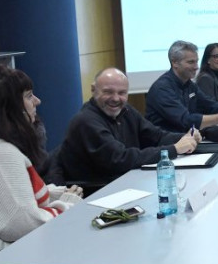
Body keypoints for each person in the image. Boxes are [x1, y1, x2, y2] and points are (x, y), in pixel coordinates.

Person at [0, 55, 83, 254]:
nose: (37, 101)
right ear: (11, 107)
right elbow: (25, 227)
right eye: (29, 96)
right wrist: (67, 205)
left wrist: (57, 193)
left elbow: (13, 198)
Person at [58, 68, 199, 184]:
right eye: (108, 92)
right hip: (98, 192)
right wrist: (174, 149)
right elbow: (120, 159)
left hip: (126, 182)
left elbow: (156, 136)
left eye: (121, 93)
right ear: (93, 90)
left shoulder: (126, 111)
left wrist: (185, 137)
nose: (115, 98)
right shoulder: (86, 121)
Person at [147, 41, 218, 141]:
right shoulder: (162, 88)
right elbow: (185, 120)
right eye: (191, 62)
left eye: (196, 61)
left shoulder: (189, 84)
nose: (196, 67)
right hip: (168, 146)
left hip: (188, 139)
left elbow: (210, 105)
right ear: (174, 63)